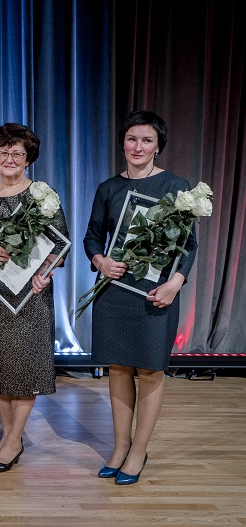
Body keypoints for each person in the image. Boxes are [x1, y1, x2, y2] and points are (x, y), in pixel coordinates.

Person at [83, 110, 197, 485]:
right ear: (123, 142)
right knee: (118, 368)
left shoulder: (176, 187)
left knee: (149, 370)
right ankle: (120, 447)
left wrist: (175, 283)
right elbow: (92, 237)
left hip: (155, 293)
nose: (138, 146)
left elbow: (189, 244)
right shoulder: (108, 188)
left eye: (147, 140)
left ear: (158, 146)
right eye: (132, 139)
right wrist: (100, 261)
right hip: (115, 291)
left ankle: (138, 451)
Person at [0, 123, 69, 473]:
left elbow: (60, 246)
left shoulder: (42, 196)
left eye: (17, 153)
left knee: (23, 369)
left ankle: (12, 441)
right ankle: (9, 435)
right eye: (4, 152)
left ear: (28, 159)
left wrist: (45, 271)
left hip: (30, 298)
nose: (9, 159)